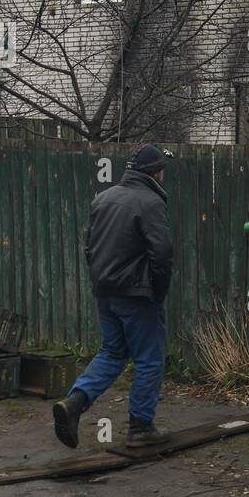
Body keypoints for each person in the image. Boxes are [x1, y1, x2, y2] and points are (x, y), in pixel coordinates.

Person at [53, 144, 174, 449]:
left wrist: (100, 280)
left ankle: (74, 403)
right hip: (137, 293)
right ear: (155, 172)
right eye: (162, 170)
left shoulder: (103, 198)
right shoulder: (150, 201)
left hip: (105, 290)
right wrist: (157, 292)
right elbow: (161, 253)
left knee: (112, 352)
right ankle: (140, 427)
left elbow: (89, 247)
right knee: (149, 358)